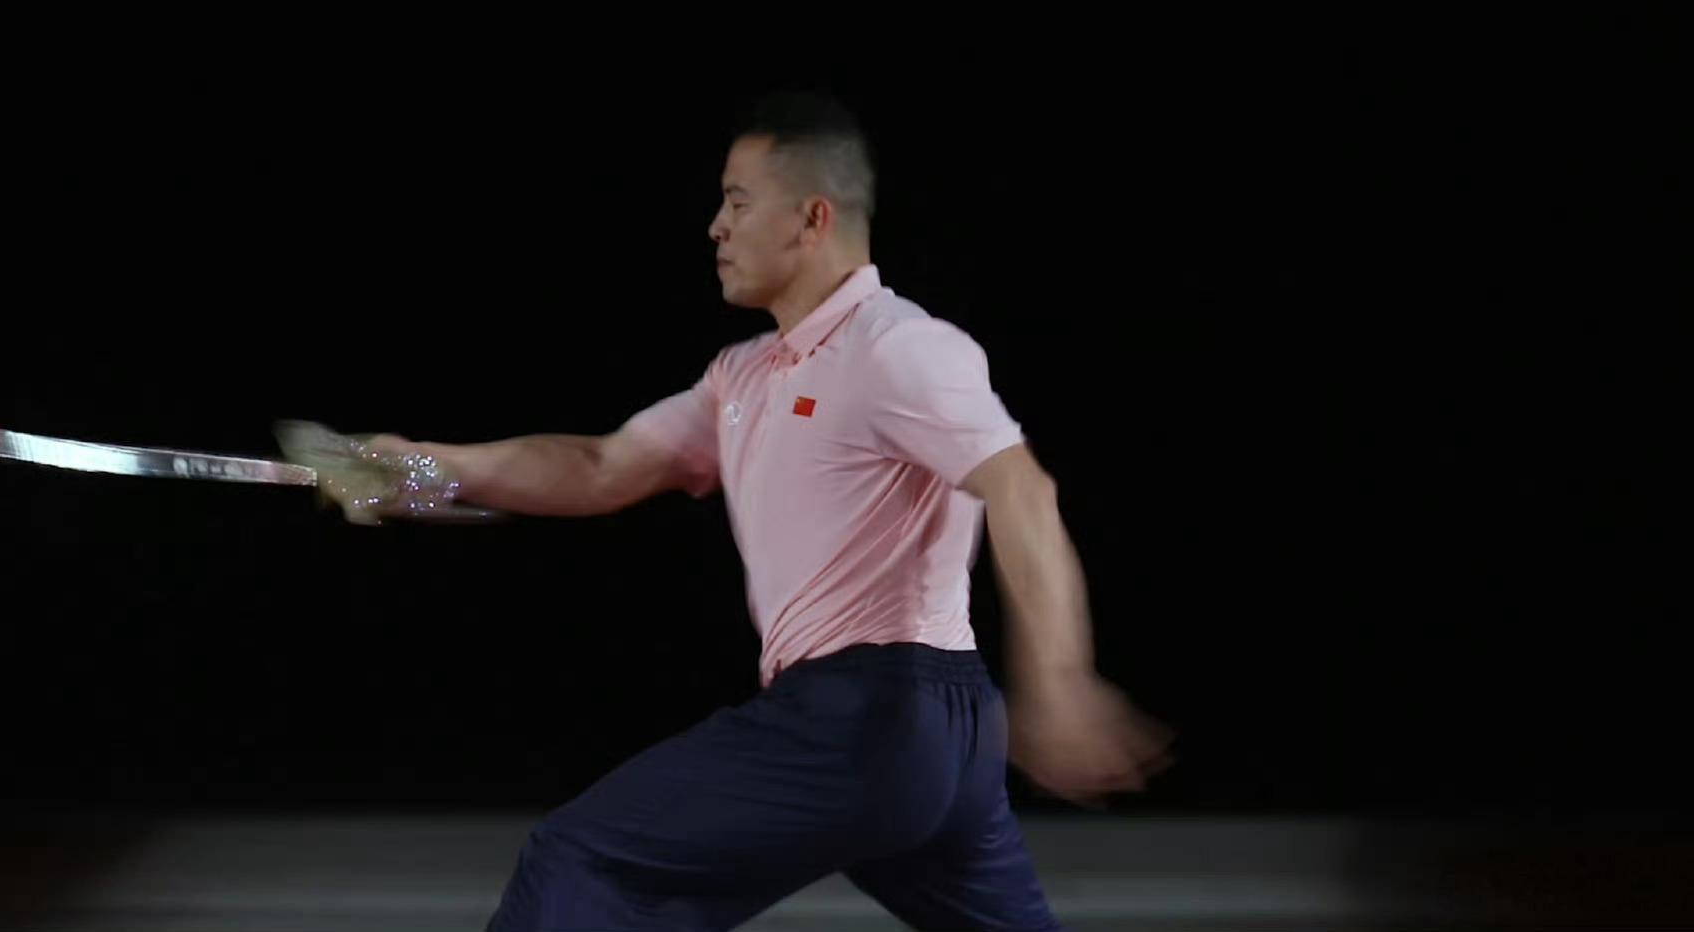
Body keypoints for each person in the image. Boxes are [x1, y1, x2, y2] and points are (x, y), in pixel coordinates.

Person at [323, 92, 1174, 930]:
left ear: (811, 219)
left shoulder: (898, 346)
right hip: (935, 740)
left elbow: (1023, 488)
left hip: (869, 712)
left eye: (736, 203)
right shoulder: (745, 375)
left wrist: (1060, 680)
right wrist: (424, 470)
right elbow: (598, 467)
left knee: (580, 859)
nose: (715, 228)